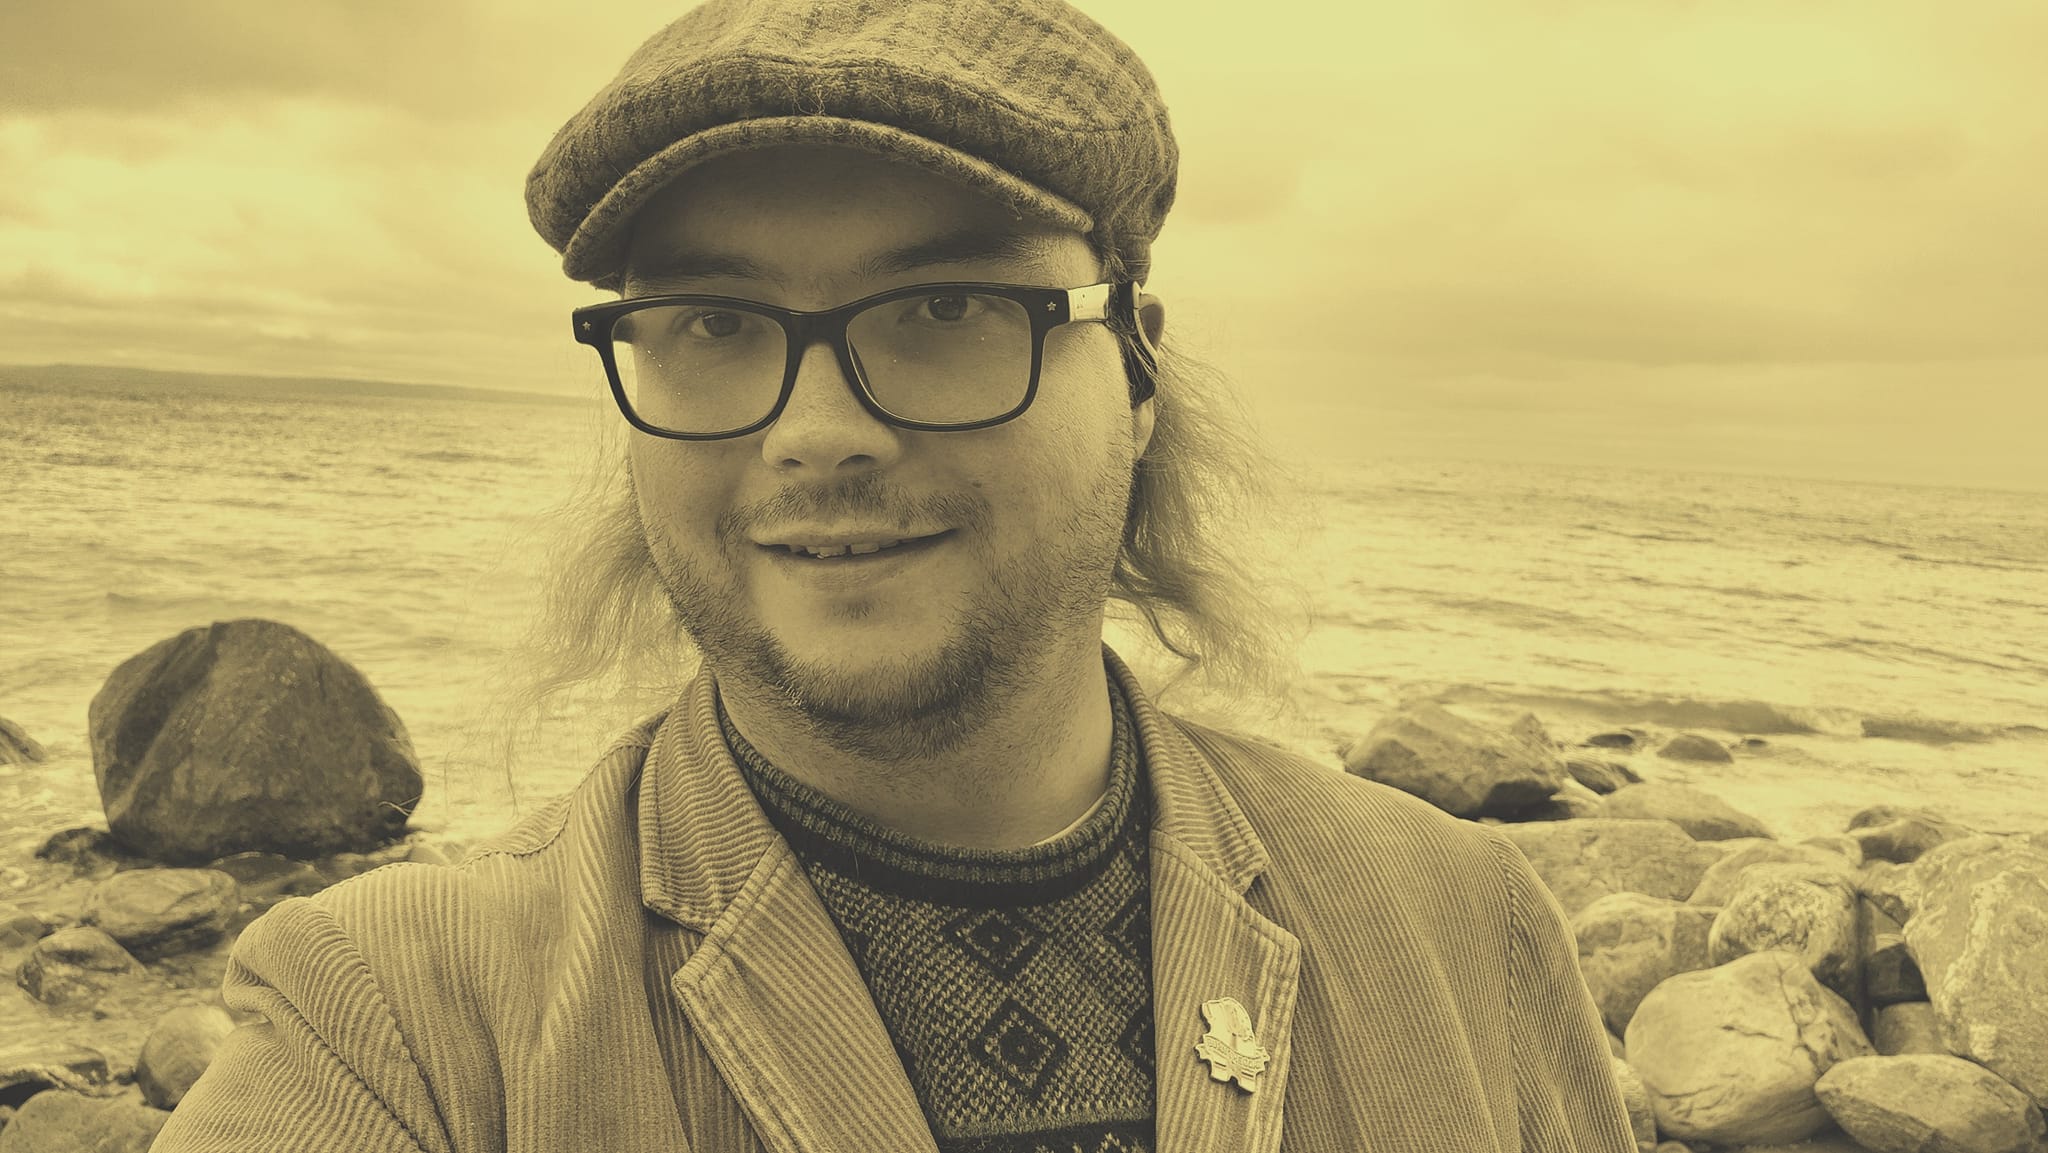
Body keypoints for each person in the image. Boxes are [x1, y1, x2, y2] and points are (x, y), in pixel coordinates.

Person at [154, 0, 1636, 1149]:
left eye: (944, 303)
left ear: (1134, 369)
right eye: (714, 321)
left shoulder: (1458, 928)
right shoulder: (399, 1024)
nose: (816, 432)